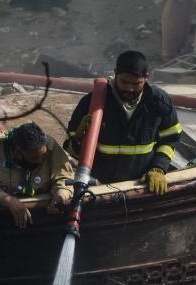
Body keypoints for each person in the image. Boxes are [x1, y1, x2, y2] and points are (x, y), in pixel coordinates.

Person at [65, 51, 181, 196]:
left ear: (146, 77)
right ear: (115, 74)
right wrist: (78, 138)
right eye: (124, 82)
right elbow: (70, 148)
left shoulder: (159, 103)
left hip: (141, 188)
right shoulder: (92, 103)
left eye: (136, 83)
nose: (129, 88)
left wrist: (158, 168)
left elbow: (170, 139)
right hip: (99, 189)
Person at [0, 122, 74, 228]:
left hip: (41, 219)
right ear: (17, 153)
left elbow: (65, 179)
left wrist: (61, 195)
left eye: (43, 156)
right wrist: (8, 200)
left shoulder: (50, 146)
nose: (40, 161)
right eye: (34, 158)